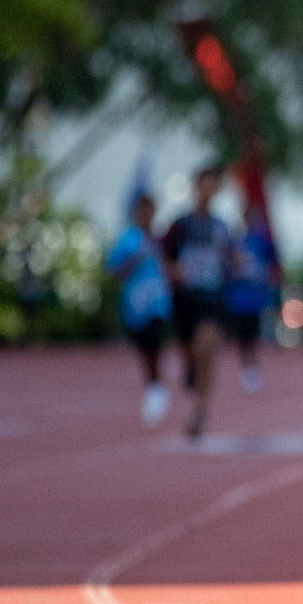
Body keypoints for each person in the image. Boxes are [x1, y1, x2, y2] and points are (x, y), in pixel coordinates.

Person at [162, 167, 234, 437]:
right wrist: (174, 272)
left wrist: (235, 264)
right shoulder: (180, 225)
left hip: (212, 298)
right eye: (205, 185)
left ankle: (200, 412)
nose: (209, 191)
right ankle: (190, 368)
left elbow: (229, 260)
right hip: (185, 298)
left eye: (214, 186)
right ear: (196, 187)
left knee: (206, 351)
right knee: (191, 351)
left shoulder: (221, 227)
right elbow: (164, 258)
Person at [106, 194, 173, 426]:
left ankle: (156, 386)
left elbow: (170, 266)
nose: (146, 215)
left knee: (156, 341)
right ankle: (152, 383)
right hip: (135, 305)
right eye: (142, 210)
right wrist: (132, 261)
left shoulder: (160, 239)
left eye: (150, 210)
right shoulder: (128, 240)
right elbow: (114, 272)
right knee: (144, 347)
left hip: (157, 301)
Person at [225, 204, 279, 394]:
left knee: (254, 334)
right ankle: (247, 367)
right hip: (238, 296)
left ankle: (253, 365)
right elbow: (227, 264)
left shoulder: (261, 240)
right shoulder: (236, 241)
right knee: (242, 336)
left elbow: (273, 260)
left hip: (255, 297)